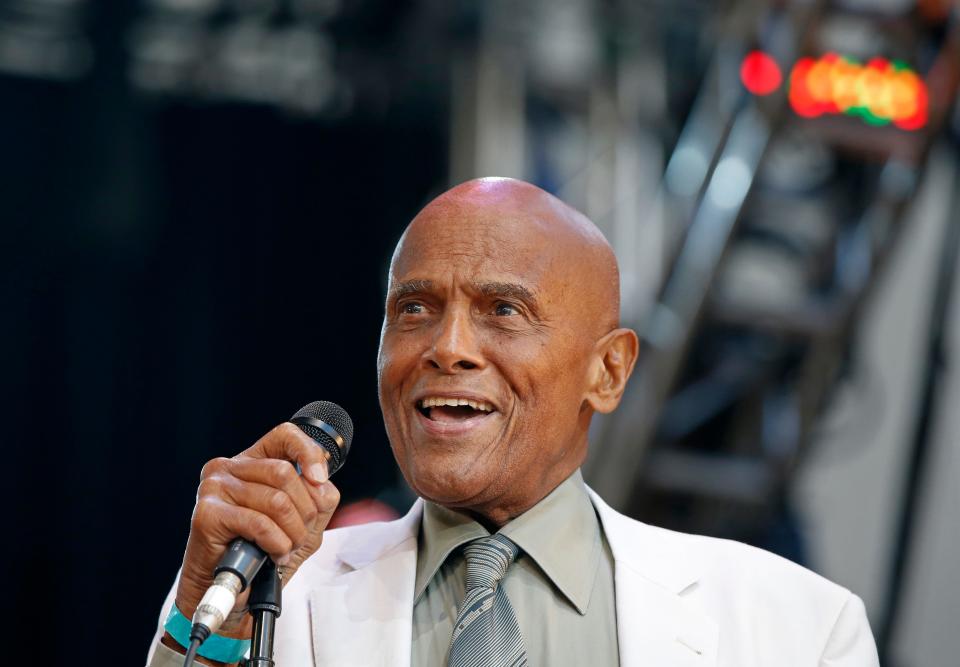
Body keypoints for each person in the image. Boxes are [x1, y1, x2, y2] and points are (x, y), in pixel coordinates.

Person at [145, 177, 879, 666]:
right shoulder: (275, 601)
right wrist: (204, 617)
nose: (447, 347)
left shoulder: (795, 629)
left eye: (503, 311)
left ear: (609, 370)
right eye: (415, 309)